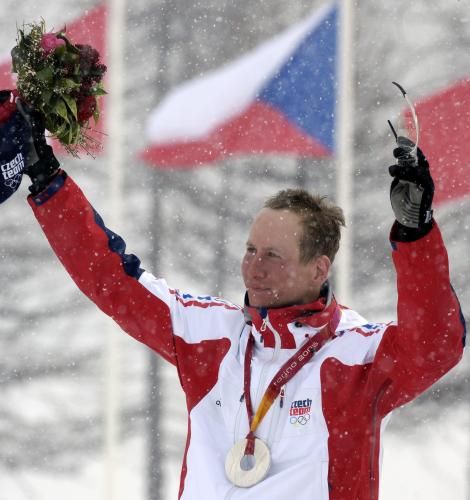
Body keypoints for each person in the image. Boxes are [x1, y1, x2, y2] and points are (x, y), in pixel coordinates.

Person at [0, 92, 466, 500]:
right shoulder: (211, 335)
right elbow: (112, 280)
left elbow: (436, 346)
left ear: (318, 268)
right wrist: (47, 180)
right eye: (250, 250)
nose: (253, 268)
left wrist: (416, 231)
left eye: (273, 256)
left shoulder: (356, 356)